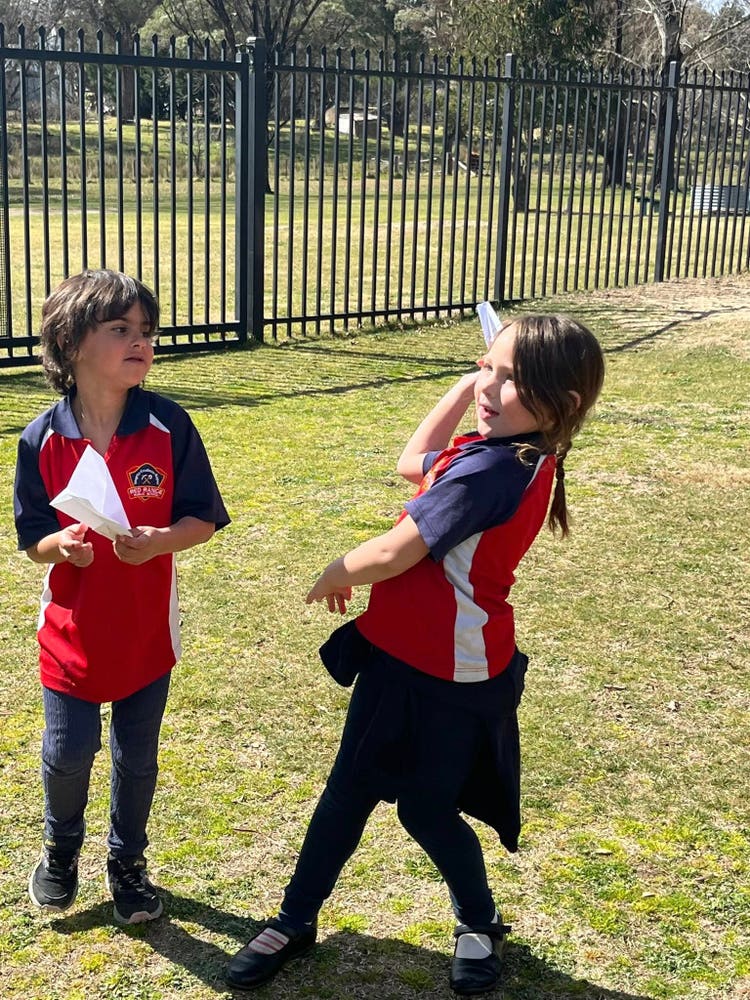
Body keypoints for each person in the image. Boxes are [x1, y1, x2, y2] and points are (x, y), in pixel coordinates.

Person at [227, 313, 604, 995]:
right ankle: (294, 919)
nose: (490, 384)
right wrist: (470, 387)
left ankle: (479, 923)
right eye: (486, 366)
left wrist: (338, 569)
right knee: (347, 795)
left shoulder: (498, 469)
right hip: (399, 660)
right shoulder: (496, 452)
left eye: (509, 376)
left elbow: (395, 552)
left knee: (425, 809)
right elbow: (410, 463)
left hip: (454, 675)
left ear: (563, 403)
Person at [14, 269, 230, 925]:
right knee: (67, 753)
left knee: (137, 760)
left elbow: (204, 516)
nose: (141, 341)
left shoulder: (168, 426)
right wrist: (64, 547)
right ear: (73, 343)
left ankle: (127, 863)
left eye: (146, 331)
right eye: (120, 330)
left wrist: (161, 540)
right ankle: (61, 850)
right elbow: (32, 539)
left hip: (144, 636)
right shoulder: (41, 439)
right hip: (72, 637)